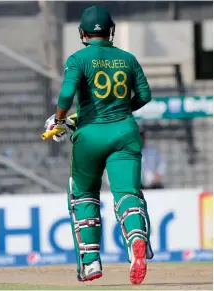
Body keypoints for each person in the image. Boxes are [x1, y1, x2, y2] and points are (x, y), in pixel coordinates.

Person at [44, 6, 153, 284]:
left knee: (83, 194)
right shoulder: (127, 58)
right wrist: (121, 110)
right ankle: (137, 239)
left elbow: (67, 93)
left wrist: (59, 121)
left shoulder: (78, 58)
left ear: (82, 33)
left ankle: (91, 263)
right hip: (124, 131)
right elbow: (145, 94)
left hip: (90, 136)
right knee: (127, 193)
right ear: (110, 31)